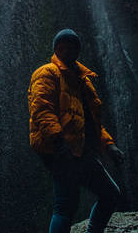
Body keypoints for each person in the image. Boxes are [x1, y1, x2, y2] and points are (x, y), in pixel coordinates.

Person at [27, 29, 124, 233]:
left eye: (73, 45)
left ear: (78, 50)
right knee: (66, 205)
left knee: (110, 194)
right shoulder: (46, 73)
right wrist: (59, 143)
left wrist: (109, 145)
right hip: (59, 151)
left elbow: (91, 120)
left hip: (81, 151)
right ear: (56, 49)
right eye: (63, 45)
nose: (68, 49)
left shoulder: (83, 80)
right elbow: (42, 110)